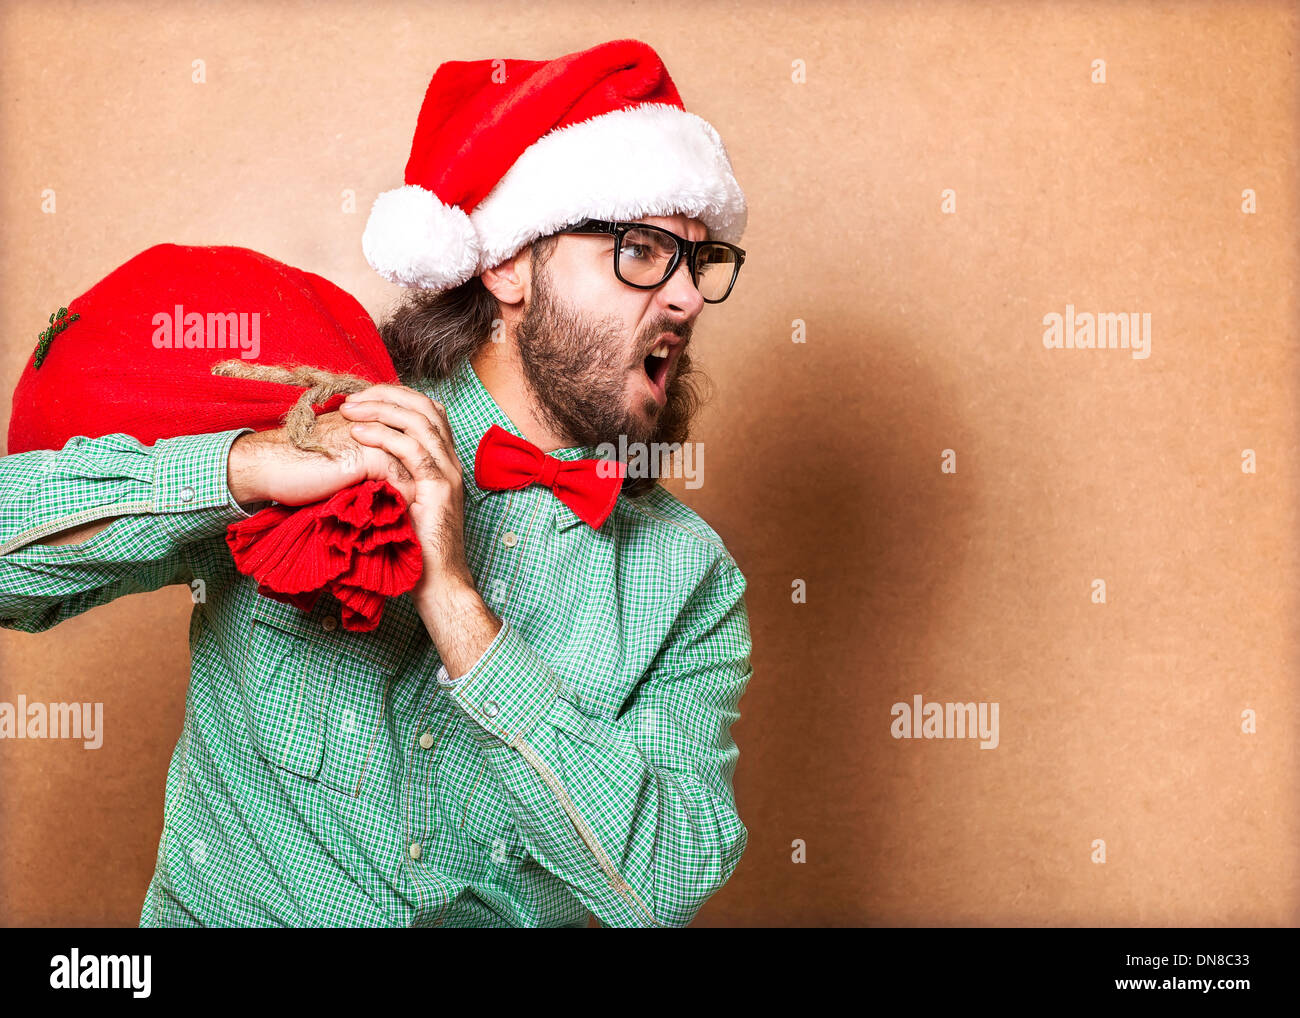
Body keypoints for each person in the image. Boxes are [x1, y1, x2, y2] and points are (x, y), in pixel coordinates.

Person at [0, 37, 752, 927]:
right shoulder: (321, 408)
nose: (686, 299)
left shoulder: (694, 583)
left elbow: (665, 882)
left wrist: (459, 609)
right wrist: (236, 469)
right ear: (507, 264)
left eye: (698, 263)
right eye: (641, 250)